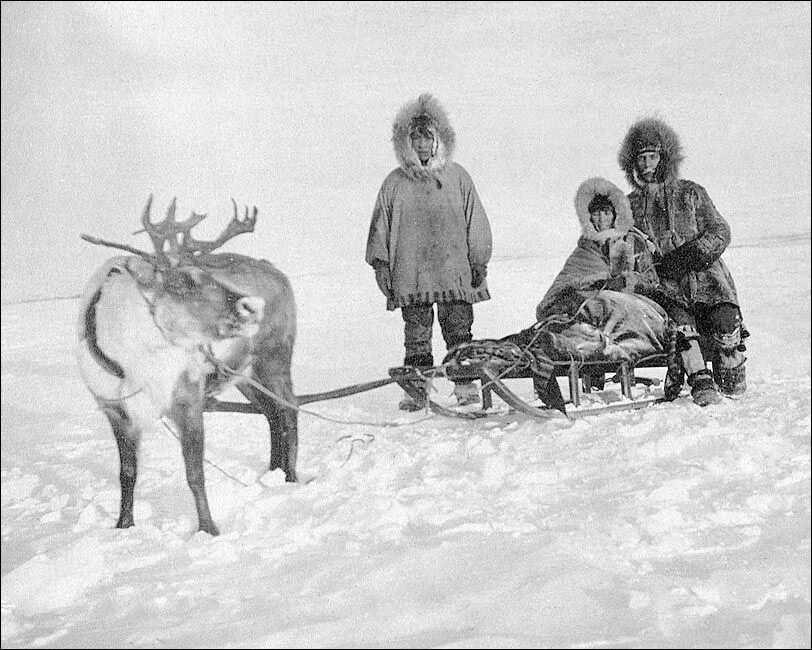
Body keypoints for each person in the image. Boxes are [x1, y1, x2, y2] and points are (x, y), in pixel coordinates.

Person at [365, 93, 493, 411]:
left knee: (459, 329)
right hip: (412, 271)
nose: (422, 144)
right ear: (406, 142)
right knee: (417, 333)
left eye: (427, 137)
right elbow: (380, 224)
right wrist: (381, 264)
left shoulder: (458, 178)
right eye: (415, 138)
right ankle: (417, 389)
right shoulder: (394, 184)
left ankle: (465, 389)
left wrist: (479, 259)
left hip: (453, 269)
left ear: (439, 140)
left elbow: (475, 218)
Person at [618, 117, 748, 406]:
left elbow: (721, 231)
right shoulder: (629, 206)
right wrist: (650, 270)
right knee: (681, 328)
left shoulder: (691, 193)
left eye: (653, 157)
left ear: (664, 158)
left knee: (727, 327)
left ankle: (731, 375)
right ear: (633, 164)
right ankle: (700, 381)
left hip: (709, 281)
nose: (648, 164)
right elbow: (626, 250)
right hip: (666, 287)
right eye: (642, 159)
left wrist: (692, 254)